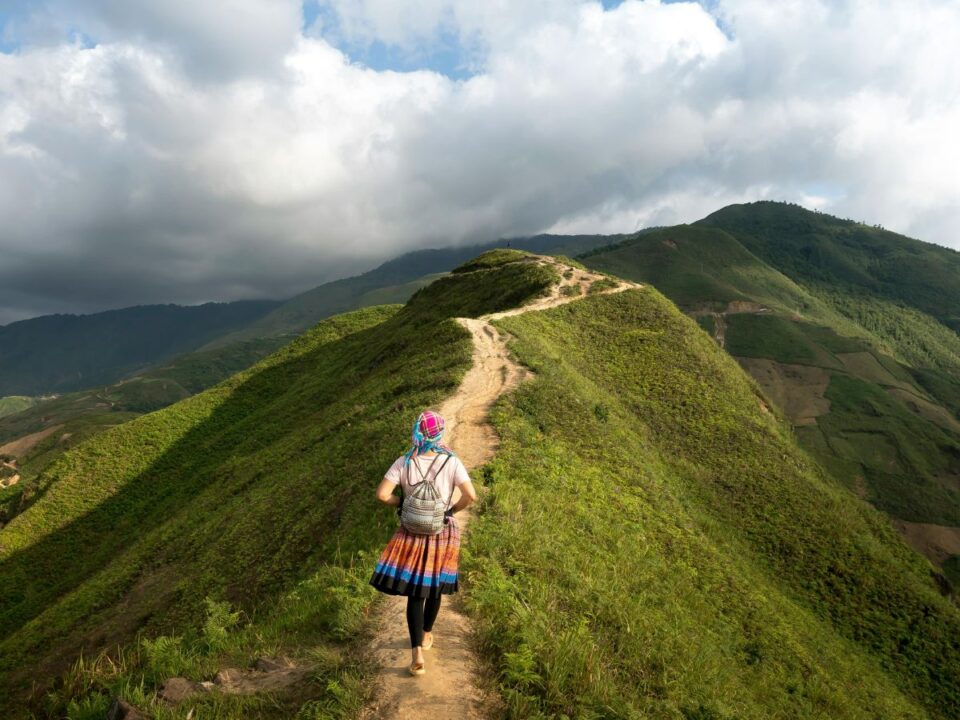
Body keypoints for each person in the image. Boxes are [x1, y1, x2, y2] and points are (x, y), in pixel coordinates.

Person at [369, 409, 478, 676]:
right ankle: (427, 633)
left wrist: (403, 503)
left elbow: (382, 495)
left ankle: (416, 652)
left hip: (411, 532)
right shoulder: (451, 462)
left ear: (416, 431)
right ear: (439, 433)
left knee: (415, 593)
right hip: (441, 532)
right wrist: (451, 510)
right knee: (434, 587)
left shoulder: (404, 461)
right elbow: (471, 496)